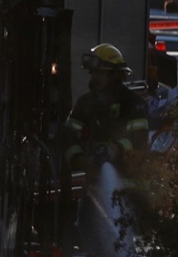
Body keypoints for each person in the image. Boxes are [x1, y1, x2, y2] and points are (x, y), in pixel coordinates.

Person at [61, 43, 149, 173]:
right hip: (96, 183)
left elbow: (139, 138)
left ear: (115, 75)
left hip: (130, 182)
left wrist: (116, 150)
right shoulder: (86, 102)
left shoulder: (133, 103)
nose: (95, 77)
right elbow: (68, 135)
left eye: (101, 72)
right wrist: (78, 159)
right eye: (94, 72)